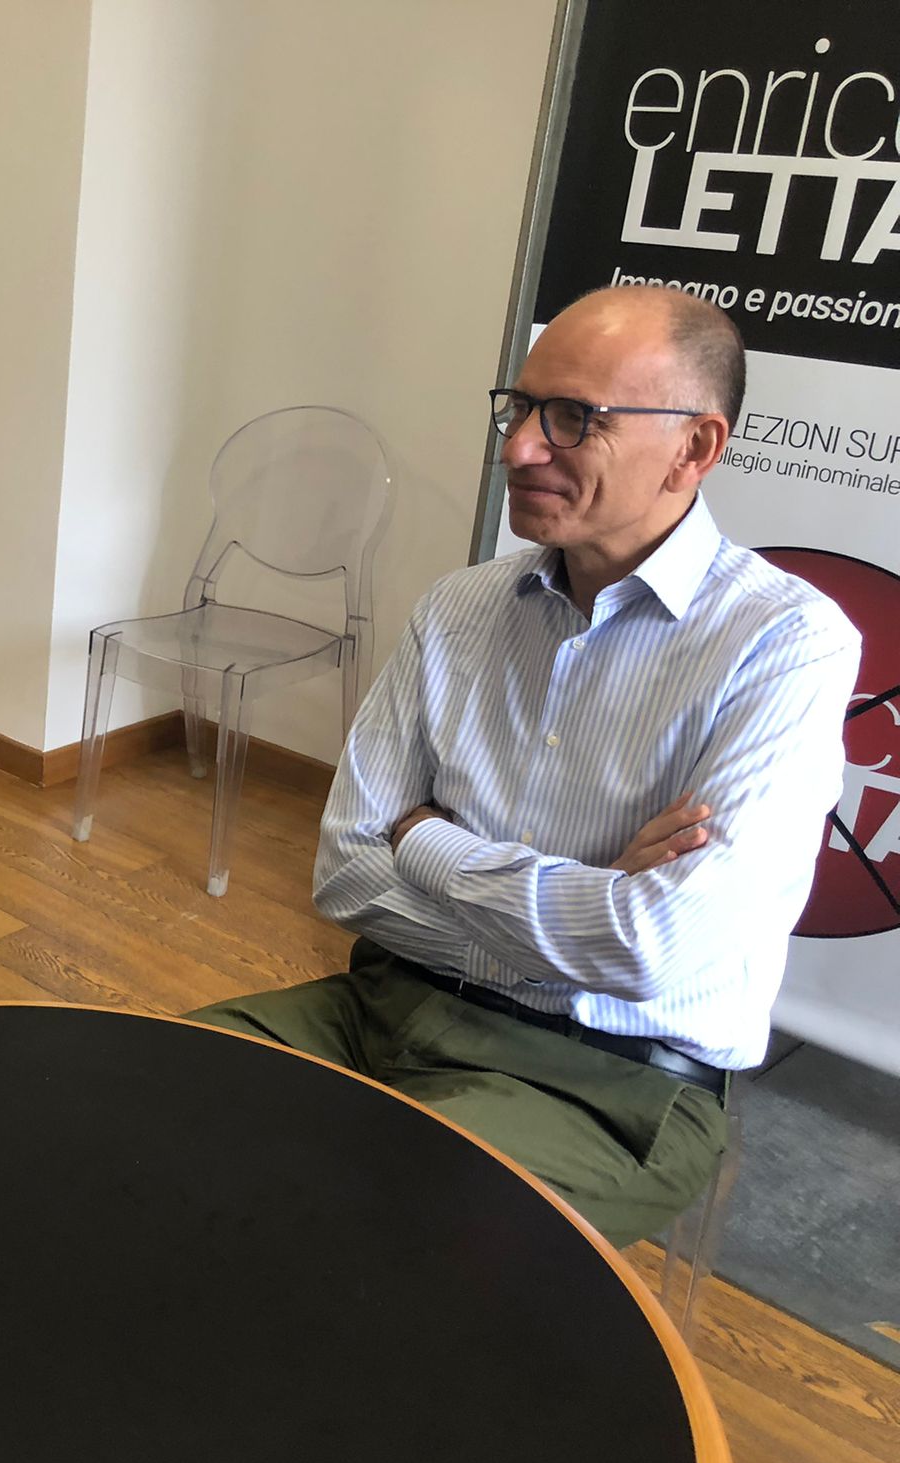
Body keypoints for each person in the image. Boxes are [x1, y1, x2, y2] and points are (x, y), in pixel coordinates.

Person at [188, 286, 860, 1247]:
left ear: (694, 448)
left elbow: (653, 950)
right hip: (385, 1003)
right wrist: (591, 901)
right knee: (146, 1098)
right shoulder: (457, 609)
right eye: (520, 407)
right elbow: (344, 873)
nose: (518, 449)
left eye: (574, 418)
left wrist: (426, 842)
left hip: (609, 1081)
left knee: (350, 1236)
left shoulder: (785, 644)